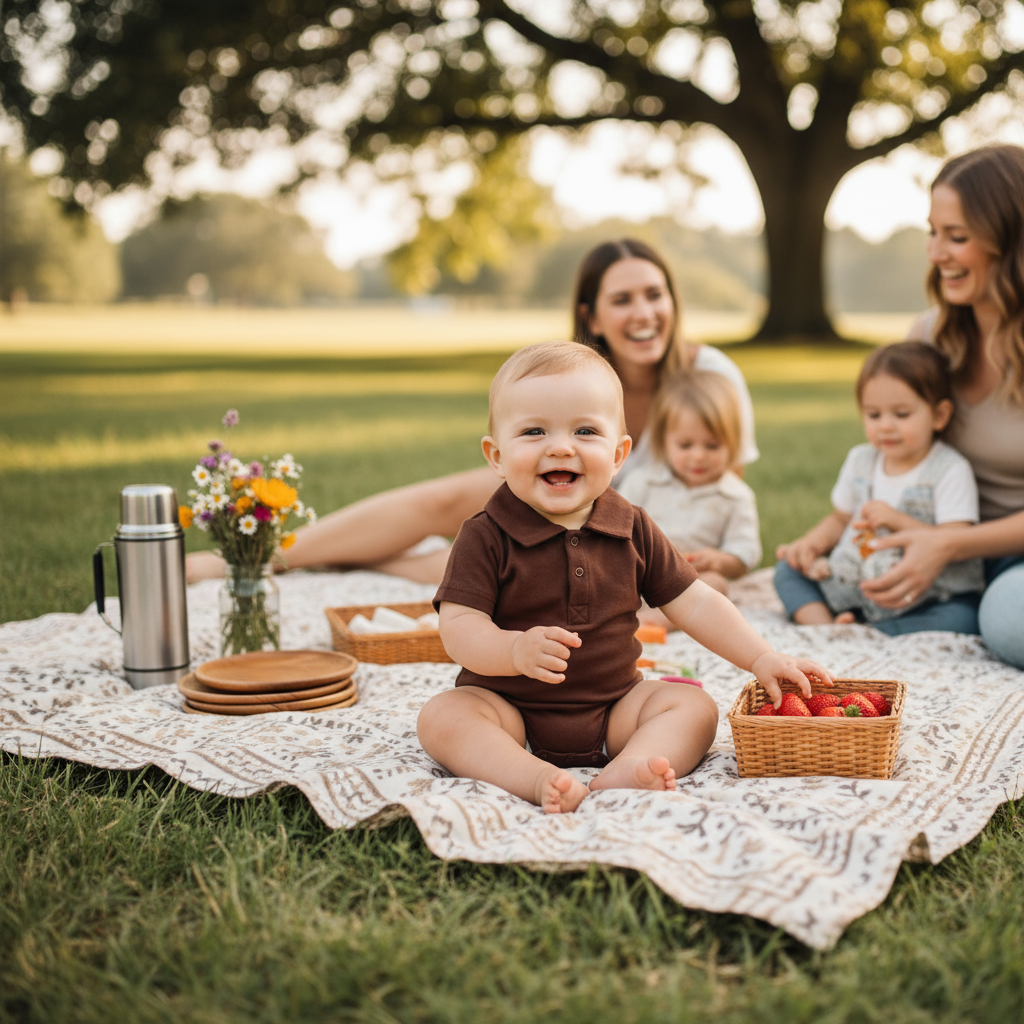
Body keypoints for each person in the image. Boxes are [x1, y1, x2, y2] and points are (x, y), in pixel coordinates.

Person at [184, 239, 759, 585]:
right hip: (552, 483)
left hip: (620, 528)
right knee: (440, 501)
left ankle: (356, 564)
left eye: (655, 295)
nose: (644, 313)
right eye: (623, 299)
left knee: (504, 559)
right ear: (593, 314)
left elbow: (724, 486)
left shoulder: (710, 377)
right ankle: (266, 555)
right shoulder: (573, 378)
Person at [417, 342, 831, 814]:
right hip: (509, 710)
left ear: (618, 455)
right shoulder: (485, 534)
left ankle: (631, 767)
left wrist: (760, 656)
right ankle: (531, 777)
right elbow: (458, 628)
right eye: (533, 431)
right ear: (496, 455)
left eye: (585, 431)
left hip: (615, 708)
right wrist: (512, 650)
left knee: (694, 708)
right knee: (443, 717)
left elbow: (695, 602)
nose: (560, 446)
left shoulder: (631, 525)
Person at [843, 145, 1024, 667]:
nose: (936, 252)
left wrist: (947, 546)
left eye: (957, 237)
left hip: (992, 553)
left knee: (1009, 619)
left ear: (1009, 242)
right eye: (933, 232)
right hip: (946, 551)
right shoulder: (928, 337)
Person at [774, 342, 984, 632]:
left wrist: (897, 521)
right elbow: (840, 519)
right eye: (874, 415)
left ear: (939, 416)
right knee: (787, 570)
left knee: (962, 617)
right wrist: (812, 543)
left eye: (901, 414)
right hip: (856, 584)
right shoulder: (861, 460)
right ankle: (827, 629)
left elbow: (956, 541)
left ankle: (872, 632)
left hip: (926, 595)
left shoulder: (949, 470)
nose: (885, 426)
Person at [619, 368, 761, 597]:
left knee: (716, 584)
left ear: (733, 443)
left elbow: (744, 556)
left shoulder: (736, 496)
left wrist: (718, 561)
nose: (698, 456)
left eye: (712, 446)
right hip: (641, 576)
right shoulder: (642, 483)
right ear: (664, 441)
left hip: (692, 585)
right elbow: (616, 531)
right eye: (685, 445)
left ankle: (654, 623)